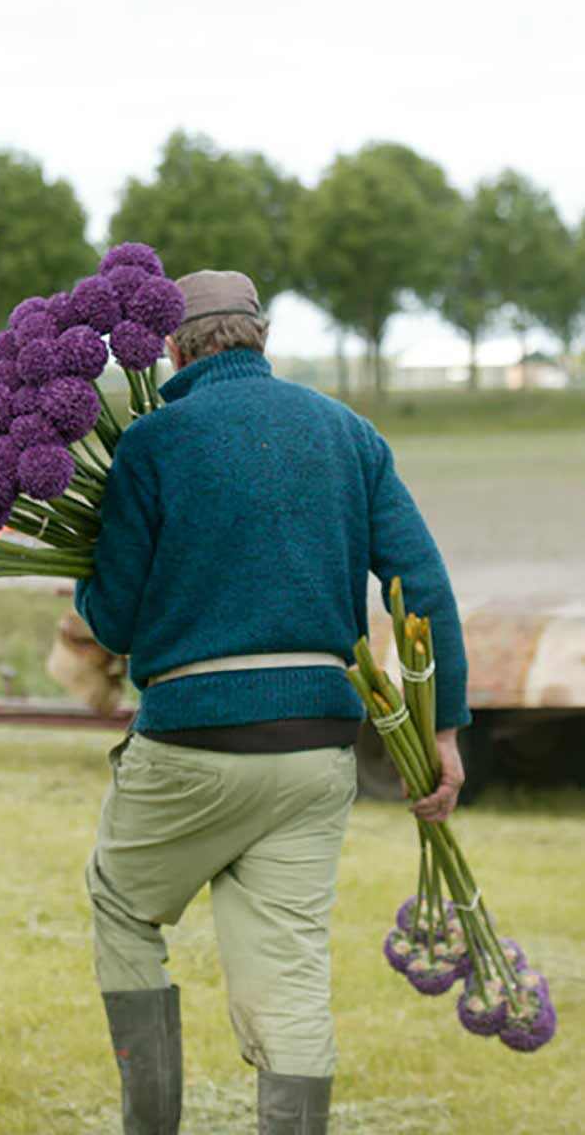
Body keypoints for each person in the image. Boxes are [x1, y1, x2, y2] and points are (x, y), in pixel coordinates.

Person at [75, 269, 469, 1135]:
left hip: (189, 747)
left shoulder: (151, 445)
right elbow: (423, 588)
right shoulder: (349, 434)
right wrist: (443, 728)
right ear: (263, 337)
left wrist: (85, 574)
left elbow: (114, 623)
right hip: (316, 750)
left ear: (175, 351)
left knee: (123, 902)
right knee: (289, 969)